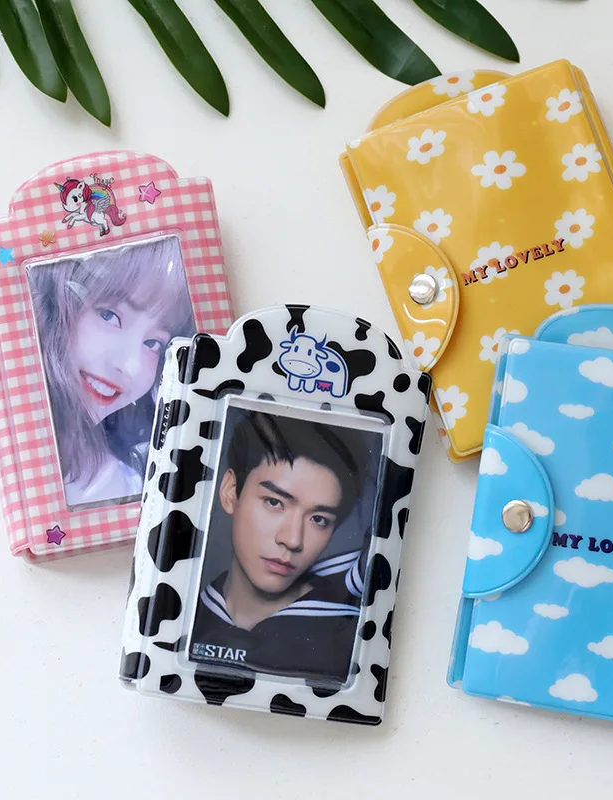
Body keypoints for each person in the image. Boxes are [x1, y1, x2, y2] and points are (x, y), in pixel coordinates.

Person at [190, 411, 374, 684]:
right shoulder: (183, 619)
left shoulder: (355, 635)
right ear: (230, 492)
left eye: (318, 519)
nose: (292, 540)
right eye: (275, 502)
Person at [28, 236, 195, 509]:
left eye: (153, 344)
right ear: (54, 301)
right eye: (109, 316)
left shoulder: (124, 484)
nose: (131, 366)